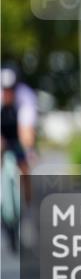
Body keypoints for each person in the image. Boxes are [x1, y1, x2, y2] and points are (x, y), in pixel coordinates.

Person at [1, 65, 39, 206]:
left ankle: (28, 204)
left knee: (24, 167)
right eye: (5, 89)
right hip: (4, 132)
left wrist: (28, 148)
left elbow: (26, 128)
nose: (8, 93)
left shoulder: (25, 96)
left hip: (18, 135)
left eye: (11, 89)